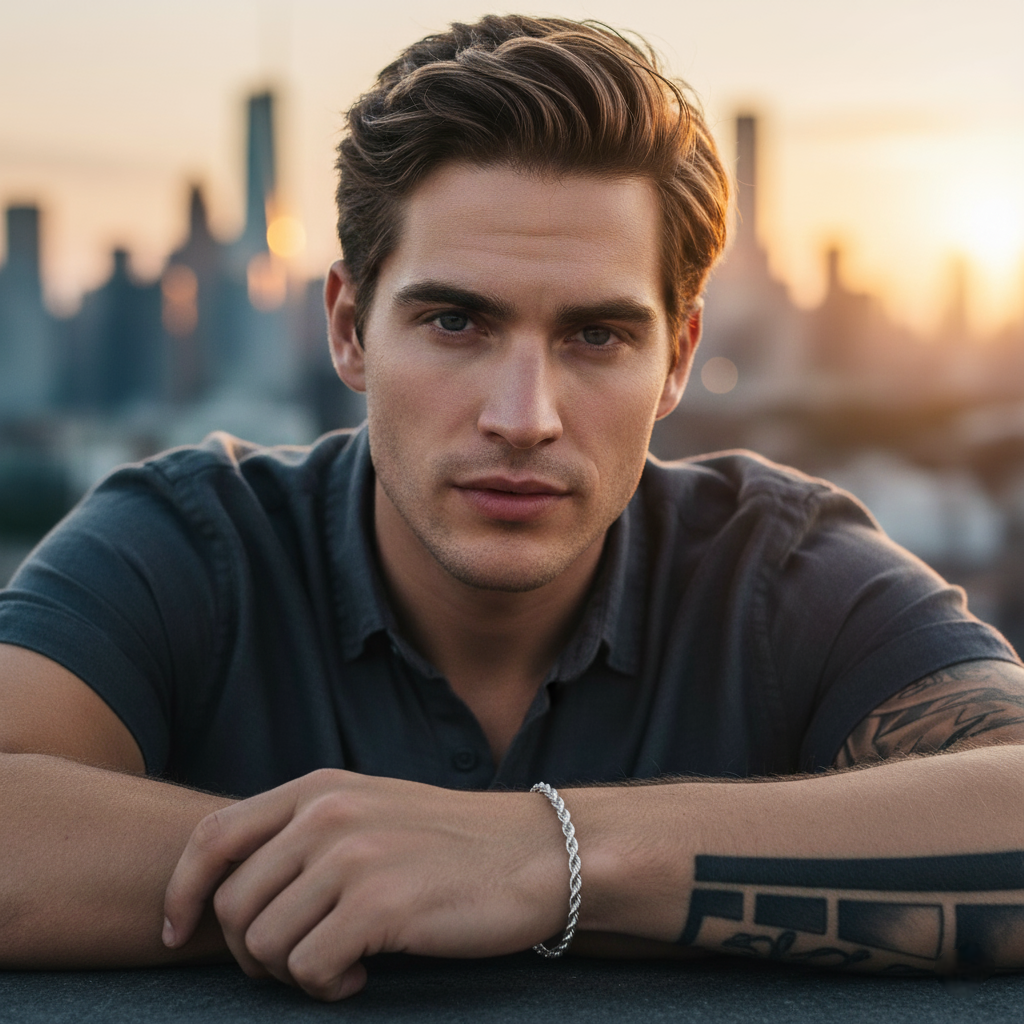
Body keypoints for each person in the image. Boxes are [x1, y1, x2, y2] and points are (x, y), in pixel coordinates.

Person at [1, 13, 1022, 1002]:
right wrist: (361, 873)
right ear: (351, 329)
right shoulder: (193, 543)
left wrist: (542, 858)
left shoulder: (779, 573)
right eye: (455, 321)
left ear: (678, 358)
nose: (521, 416)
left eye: (597, 337)